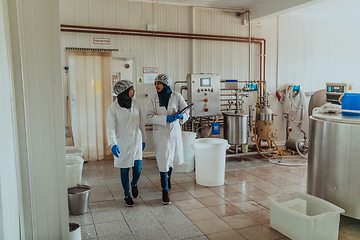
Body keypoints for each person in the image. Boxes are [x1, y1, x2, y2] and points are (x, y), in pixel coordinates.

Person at [146, 74, 189, 204]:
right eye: (155, 83)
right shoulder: (153, 99)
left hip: (174, 133)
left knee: (171, 159)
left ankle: (168, 178)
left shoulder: (176, 96)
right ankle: (164, 191)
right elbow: (148, 117)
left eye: (159, 83)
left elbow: (186, 111)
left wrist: (182, 116)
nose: (156, 86)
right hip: (160, 134)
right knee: (163, 161)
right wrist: (165, 118)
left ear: (166, 84)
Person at [106, 80, 146, 207]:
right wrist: (113, 144)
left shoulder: (137, 104)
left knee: (137, 169)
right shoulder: (113, 108)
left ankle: (134, 184)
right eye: (131, 89)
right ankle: (127, 194)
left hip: (136, 141)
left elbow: (141, 123)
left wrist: (143, 139)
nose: (134, 91)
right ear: (124, 91)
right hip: (121, 143)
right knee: (124, 171)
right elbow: (110, 128)